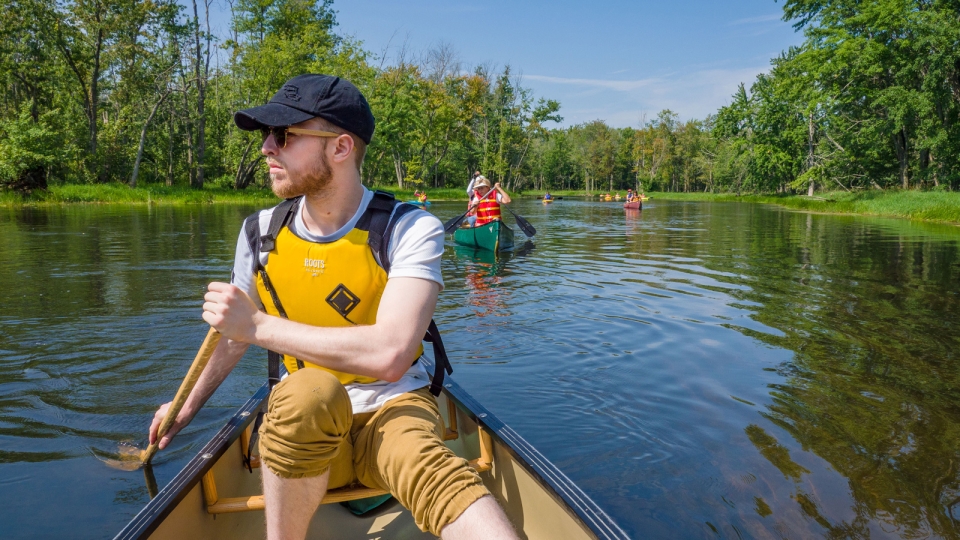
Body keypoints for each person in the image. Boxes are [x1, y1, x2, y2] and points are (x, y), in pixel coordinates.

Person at [147, 74, 518, 540]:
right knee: (307, 391)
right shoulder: (259, 233)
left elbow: (391, 355)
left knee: (431, 469)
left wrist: (257, 326)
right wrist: (185, 408)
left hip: (395, 414)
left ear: (341, 148)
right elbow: (230, 337)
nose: (266, 148)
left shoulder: (409, 228)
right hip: (306, 432)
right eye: (267, 136)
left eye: (283, 135)